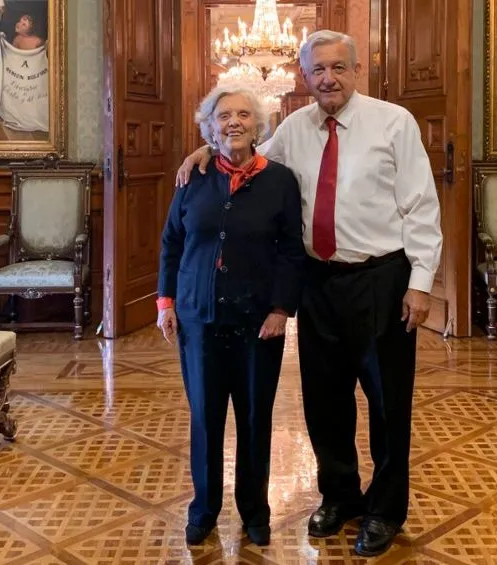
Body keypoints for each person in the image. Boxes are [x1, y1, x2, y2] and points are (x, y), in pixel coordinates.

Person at [175, 29, 442, 557]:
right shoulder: (295, 128)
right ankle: (340, 495)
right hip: (317, 284)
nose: (329, 78)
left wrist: (420, 284)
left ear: (356, 69)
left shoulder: (395, 122)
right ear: (304, 76)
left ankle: (385, 509)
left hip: (381, 280)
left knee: (388, 404)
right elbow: (244, 153)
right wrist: (201, 152)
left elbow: (422, 206)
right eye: (318, 69)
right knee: (325, 402)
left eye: (339, 67)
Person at [158, 86, 305, 547]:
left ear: (258, 124)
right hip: (198, 320)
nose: (234, 123)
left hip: (259, 324)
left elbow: (291, 252)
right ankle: (203, 510)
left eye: (244, 114)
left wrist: (282, 308)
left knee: (255, 418)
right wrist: (166, 302)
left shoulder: (280, 180)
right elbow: (171, 244)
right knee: (205, 418)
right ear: (210, 127)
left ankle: (255, 510)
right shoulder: (192, 177)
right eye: (224, 116)